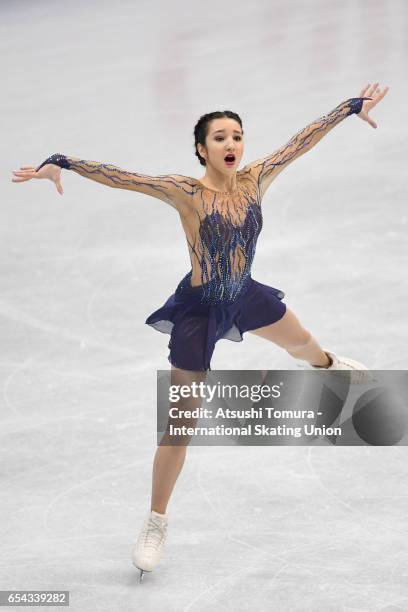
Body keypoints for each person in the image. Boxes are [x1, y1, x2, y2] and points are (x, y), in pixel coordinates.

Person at [11, 82, 389, 581]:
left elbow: (301, 141)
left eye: (236, 136)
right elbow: (125, 178)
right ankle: (156, 521)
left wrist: (347, 108)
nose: (231, 144)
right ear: (201, 149)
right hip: (198, 311)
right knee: (182, 423)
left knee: (304, 346)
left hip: (246, 294)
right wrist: (63, 160)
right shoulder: (185, 192)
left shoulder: (255, 179)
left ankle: (330, 365)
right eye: (219, 138)